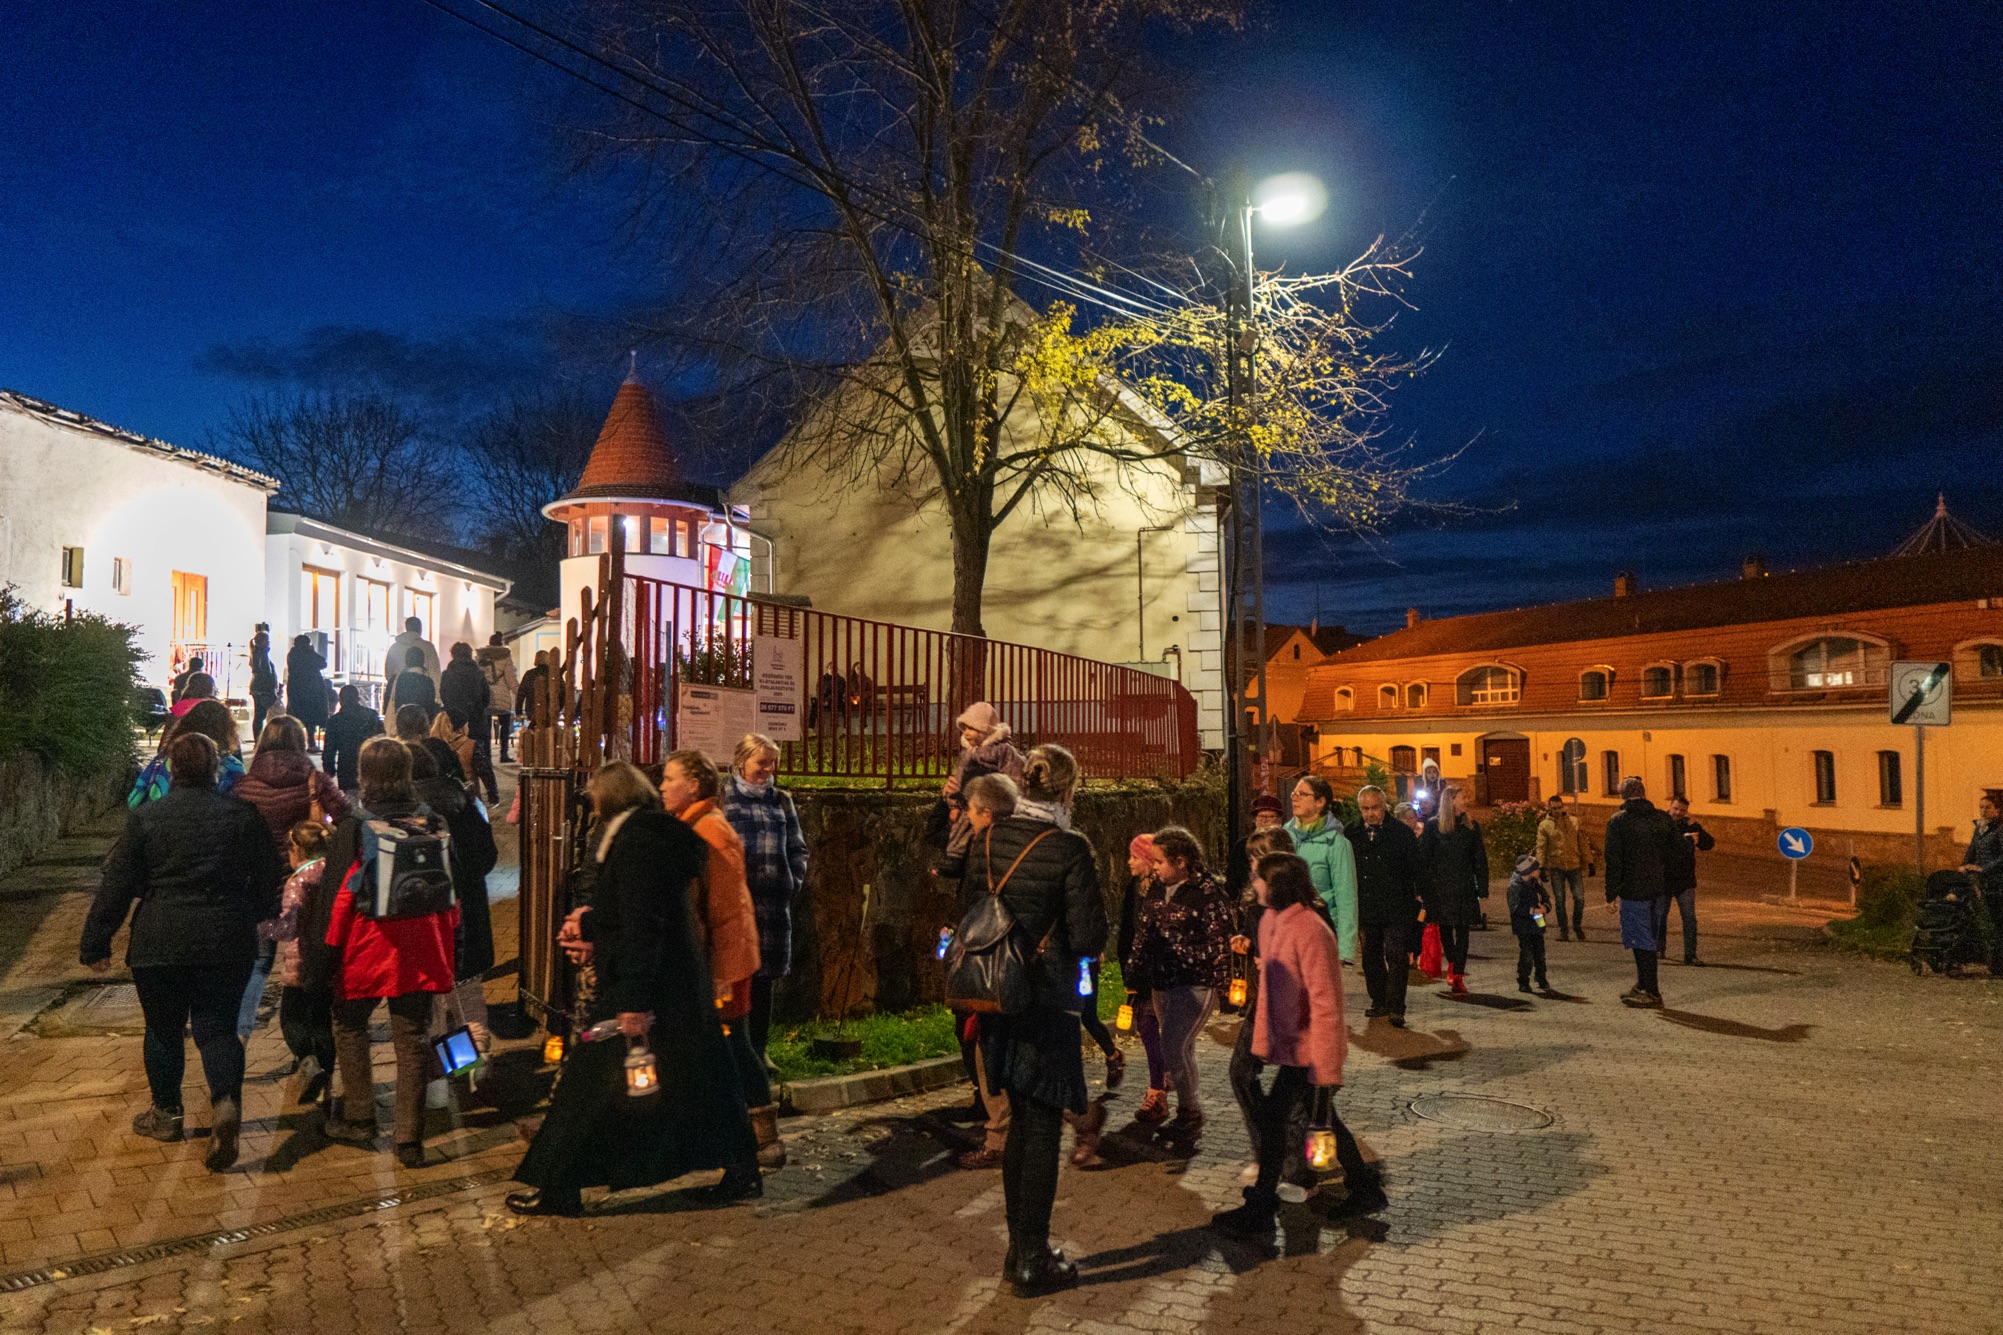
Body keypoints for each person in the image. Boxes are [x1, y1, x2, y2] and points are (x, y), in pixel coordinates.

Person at [508, 763, 759, 1217]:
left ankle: (560, 1185)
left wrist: (634, 1002)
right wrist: (589, 924)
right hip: (676, 986)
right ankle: (742, 1169)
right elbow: (634, 909)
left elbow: (644, 925)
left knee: (588, 1086)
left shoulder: (635, 842)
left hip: (648, 987)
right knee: (701, 1079)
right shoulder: (653, 834)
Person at [81, 731, 284, 1172]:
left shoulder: (146, 819)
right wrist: (255, 913)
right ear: (215, 768)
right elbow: (270, 876)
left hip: (160, 939)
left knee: (163, 1028)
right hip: (225, 938)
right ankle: (225, 1102)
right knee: (218, 1028)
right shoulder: (242, 816)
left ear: (172, 769)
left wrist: (96, 941)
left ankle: (167, 1114)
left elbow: (117, 884)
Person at [962, 744, 1107, 1296]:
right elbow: (1089, 936)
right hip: (1046, 1000)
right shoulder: (1070, 847)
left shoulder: (989, 837)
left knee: (1019, 1123)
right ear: (1068, 789)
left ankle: (1017, 1250)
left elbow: (970, 912)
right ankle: (1031, 1258)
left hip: (996, 996)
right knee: (1042, 1125)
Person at [1211, 852, 1381, 1237]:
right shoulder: (1273, 921)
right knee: (1319, 1119)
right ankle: (1364, 1187)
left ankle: (1261, 1208)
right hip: (1296, 1048)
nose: (1253, 883)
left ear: (1278, 885)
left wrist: (1325, 1066)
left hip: (1312, 1050)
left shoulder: (1311, 930)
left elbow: (1326, 1004)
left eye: (1259, 878)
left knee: (1279, 1122)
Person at [321, 738, 458, 1166]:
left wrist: (325, 953)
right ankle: (409, 1139)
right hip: (422, 947)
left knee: (349, 1024)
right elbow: (451, 890)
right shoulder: (433, 820)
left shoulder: (356, 825)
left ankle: (360, 1117)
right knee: (413, 1038)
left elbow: (340, 896)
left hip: (368, 945)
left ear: (364, 775)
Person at [661, 748, 779, 1186]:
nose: (662, 786)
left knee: (735, 1049)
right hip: (715, 963)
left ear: (694, 785)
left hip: (724, 966)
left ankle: (762, 1137)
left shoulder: (710, 830)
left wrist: (720, 975)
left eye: (670, 779)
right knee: (727, 1050)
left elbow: (727, 909)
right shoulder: (692, 825)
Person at [233, 716, 351, 1039]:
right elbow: (347, 816)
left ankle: (241, 1032)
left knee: (259, 961)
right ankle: (313, 1036)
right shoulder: (315, 781)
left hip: (259, 885)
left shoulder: (244, 786)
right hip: (308, 882)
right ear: (299, 742)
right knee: (309, 957)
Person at [1127, 825, 1231, 1139]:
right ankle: (1185, 1108)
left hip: (1194, 982)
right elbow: (1143, 933)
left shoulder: (1207, 893)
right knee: (1180, 1046)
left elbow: (1219, 941)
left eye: (1160, 862)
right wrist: (1135, 970)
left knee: (1173, 1044)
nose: (1155, 868)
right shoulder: (1156, 890)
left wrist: (1224, 985)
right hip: (1161, 981)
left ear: (1181, 861)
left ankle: (1190, 1110)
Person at [1225, 824, 1308, 1201]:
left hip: (1294, 1009)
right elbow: (1261, 943)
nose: (1253, 867)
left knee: (1299, 1091)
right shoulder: (1257, 904)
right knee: (1242, 1071)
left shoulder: (1306, 912)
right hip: (1263, 1001)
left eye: (1260, 858)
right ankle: (1267, 1156)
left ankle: (1296, 1171)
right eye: (1251, 859)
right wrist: (1248, 946)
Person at [952, 774, 1025, 1171]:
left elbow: (973, 904)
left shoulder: (985, 846)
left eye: (970, 810)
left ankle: (998, 1137)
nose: (967, 816)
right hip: (1024, 961)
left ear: (987, 812)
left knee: (986, 1048)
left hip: (990, 961)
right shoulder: (1033, 840)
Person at [408, 743, 498, 1059]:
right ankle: (474, 1059)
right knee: (468, 989)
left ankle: (441, 1071)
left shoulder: (405, 810)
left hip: (425, 917)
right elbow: (487, 856)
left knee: (431, 999)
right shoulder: (463, 801)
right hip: (467, 909)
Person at [721, 733, 808, 1058]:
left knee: (764, 979)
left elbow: (797, 848)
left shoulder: (781, 801)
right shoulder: (724, 798)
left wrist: (791, 882)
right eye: (762, 762)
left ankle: (759, 1049)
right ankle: (735, 1049)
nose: (769, 769)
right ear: (742, 762)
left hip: (771, 907)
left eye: (773, 763)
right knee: (736, 977)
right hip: (736, 907)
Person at [259, 820, 336, 1104]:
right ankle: (327, 1086)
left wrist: (261, 927)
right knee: (322, 1022)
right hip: (329, 959)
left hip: (301, 963)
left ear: (297, 849)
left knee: (291, 1019)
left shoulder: (299, 880)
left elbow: (289, 928)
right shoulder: (335, 873)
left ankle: (309, 1064)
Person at [1348, 783, 1422, 1027]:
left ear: (1384, 806)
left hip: (1397, 905)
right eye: (1365, 809)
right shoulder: (1352, 833)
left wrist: (1419, 896)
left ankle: (1396, 1005)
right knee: (1371, 956)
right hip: (1367, 905)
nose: (1370, 813)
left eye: (1375, 808)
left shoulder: (1401, 833)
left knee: (1396, 954)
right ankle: (1379, 999)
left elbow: (1415, 867)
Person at [1603, 775, 1680, 1008]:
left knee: (1641, 941)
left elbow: (1613, 860)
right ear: (1644, 793)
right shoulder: (1662, 818)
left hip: (1634, 890)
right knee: (1650, 939)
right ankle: (1643, 984)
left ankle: (1650, 991)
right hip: (1658, 889)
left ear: (1623, 796)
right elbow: (1676, 850)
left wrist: (1611, 894)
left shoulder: (1619, 822)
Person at [1118, 833, 1173, 1126]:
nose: (1129, 862)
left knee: (1152, 1025)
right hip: (1138, 970)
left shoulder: (1164, 889)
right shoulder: (1134, 889)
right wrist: (1127, 967)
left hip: (1159, 971)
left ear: (1149, 860)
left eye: (1135, 856)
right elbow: (1127, 929)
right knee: (1147, 1026)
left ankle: (1157, 1093)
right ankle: (1162, 1078)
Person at [1419, 783, 1488, 995]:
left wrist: (1483, 887)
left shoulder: (1471, 827)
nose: (1466, 801)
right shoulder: (1434, 826)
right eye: (1463, 797)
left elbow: (1479, 858)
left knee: (1464, 930)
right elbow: (1424, 859)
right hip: (1440, 889)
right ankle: (1452, 964)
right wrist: (1422, 888)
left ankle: (1457, 973)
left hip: (1464, 887)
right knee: (1446, 930)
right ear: (1451, 801)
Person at [1284, 774, 1359, 963]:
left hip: (1320, 934)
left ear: (1320, 802)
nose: (1295, 798)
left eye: (1302, 794)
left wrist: (1345, 950)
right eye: (1294, 793)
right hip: (1286, 934)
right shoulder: (1283, 837)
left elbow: (1346, 897)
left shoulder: (1336, 844)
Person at [131, 700, 247, 807]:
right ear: (227, 729)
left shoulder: (166, 759)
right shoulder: (233, 767)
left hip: (159, 818)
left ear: (186, 724)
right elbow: (241, 806)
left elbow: (135, 798)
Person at [440, 642, 498, 804]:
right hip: (477, 721)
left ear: (453, 655)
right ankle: (485, 795)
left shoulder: (447, 675)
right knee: (481, 761)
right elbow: (486, 699)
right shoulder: (479, 674)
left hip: (454, 723)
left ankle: (459, 794)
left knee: (457, 760)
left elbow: (444, 696)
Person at [1660, 796, 1714, 966]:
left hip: (1685, 881)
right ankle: (1658, 948)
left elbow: (1709, 843)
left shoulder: (1690, 825)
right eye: (1676, 808)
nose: (1678, 813)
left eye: (1682, 810)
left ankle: (1690, 955)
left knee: (1689, 918)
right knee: (1660, 916)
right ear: (1670, 807)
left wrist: (1698, 833)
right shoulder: (1660, 823)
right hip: (1663, 879)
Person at [1536, 794, 1589, 941]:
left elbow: (1582, 842)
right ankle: (1563, 929)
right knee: (1560, 900)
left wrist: (1589, 861)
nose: (1557, 811)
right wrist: (1541, 866)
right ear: (1549, 808)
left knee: (1579, 898)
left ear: (1563, 806)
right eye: (1554, 808)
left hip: (1573, 864)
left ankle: (1577, 926)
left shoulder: (1573, 822)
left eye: (1559, 808)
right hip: (1556, 866)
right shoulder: (1545, 825)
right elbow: (1541, 847)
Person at [1961, 795, 2003, 978]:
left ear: (1997, 810)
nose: (1983, 811)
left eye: (1988, 807)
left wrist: (1984, 868)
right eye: (1981, 807)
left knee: (1999, 922)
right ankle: (1995, 963)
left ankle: (1999, 965)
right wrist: (1964, 865)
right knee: (1991, 923)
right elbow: (1971, 850)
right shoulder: (1979, 829)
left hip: (1998, 881)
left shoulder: (2000, 830)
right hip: (1985, 883)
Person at [322, 684, 384, 794]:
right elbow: (382, 740)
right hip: (371, 766)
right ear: (358, 699)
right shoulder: (372, 715)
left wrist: (329, 771)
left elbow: (329, 750)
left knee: (351, 800)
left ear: (340, 701)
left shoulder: (335, 721)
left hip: (347, 769)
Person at [1507, 854, 1554, 993]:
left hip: (1538, 920)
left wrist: (1545, 908)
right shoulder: (1515, 887)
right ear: (1528, 871)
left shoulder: (1536, 884)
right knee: (1527, 953)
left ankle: (1541, 977)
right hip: (1523, 924)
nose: (1539, 871)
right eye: (1536, 869)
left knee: (1540, 952)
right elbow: (1514, 908)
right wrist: (1532, 910)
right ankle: (1523, 980)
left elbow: (1546, 898)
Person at [1225, 794, 1286, 895]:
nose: (1265, 820)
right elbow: (1232, 880)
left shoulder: (1285, 844)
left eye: (1270, 816)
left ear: (1279, 820)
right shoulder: (1242, 846)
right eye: (1260, 816)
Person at [477, 633, 520, 764]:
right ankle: (503, 754)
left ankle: (487, 756)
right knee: (505, 726)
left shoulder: (481, 658)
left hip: (486, 696)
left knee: (486, 728)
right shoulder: (505, 657)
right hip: (502, 696)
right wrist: (520, 694)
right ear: (501, 643)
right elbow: (511, 680)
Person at [395, 703, 464, 784]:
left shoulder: (393, 751)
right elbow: (458, 777)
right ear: (426, 725)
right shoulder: (439, 747)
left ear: (398, 727)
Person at [285, 636, 329, 751]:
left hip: (296, 690)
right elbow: (323, 663)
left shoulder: (292, 654)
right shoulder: (308, 654)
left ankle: (295, 743)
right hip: (311, 691)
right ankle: (311, 743)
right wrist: (312, 651)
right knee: (310, 719)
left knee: (296, 717)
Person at [385, 616, 440, 687]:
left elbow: (389, 674)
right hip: (422, 689)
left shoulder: (394, 648)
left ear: (406, 628)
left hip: (400, 689)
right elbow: (435, 673)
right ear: (420, 629)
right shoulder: (428, 647)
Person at [389, 647, 439, 720]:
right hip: (421, 721)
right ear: (422, 661)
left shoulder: (396, 679)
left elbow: (390, 702)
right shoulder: (427, 682)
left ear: (406, 660)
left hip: (401, 720)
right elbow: (430, 707)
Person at [248, 635, 278, 738]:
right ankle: (258, 738)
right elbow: (265, 671)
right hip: (262, 688)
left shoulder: (258, 653)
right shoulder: (260, 654)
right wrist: (270, 686)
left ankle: (258, 738)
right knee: (260, 715)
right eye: (267, 640)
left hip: (259, 688)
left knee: (260, 715)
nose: (268, 642)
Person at [515, 649, 550, 725]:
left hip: (532, 709)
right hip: (549, 709)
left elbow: (521, 694)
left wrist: (518, 712)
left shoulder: (529, 674)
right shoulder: (553, 674)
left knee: (534, 728)